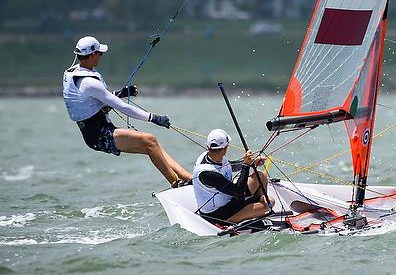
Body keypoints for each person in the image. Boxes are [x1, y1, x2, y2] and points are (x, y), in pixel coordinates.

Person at [62, 36, 191, 186]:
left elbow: (93, 101)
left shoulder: (71, 73)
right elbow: (122, 107)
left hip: (96, 129)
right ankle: (176, 184)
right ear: (91, 55)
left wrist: (121, 93)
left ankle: (188, 179)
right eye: (99, 53)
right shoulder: (89, 82)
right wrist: (154, 118)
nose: (100, 57)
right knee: (150, 141)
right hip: (98, 134)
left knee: (153, 146)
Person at [192, 129, 274, 225]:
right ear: (225, 148)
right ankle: (228, 222)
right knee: (270, 202)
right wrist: (246, 166)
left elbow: (231, 166)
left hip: (230, 198)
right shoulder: (208, 174)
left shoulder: (211, 156)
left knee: (261, 176)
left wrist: (253, 162)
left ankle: (253, 210)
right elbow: (239, 191)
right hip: (217, 214)